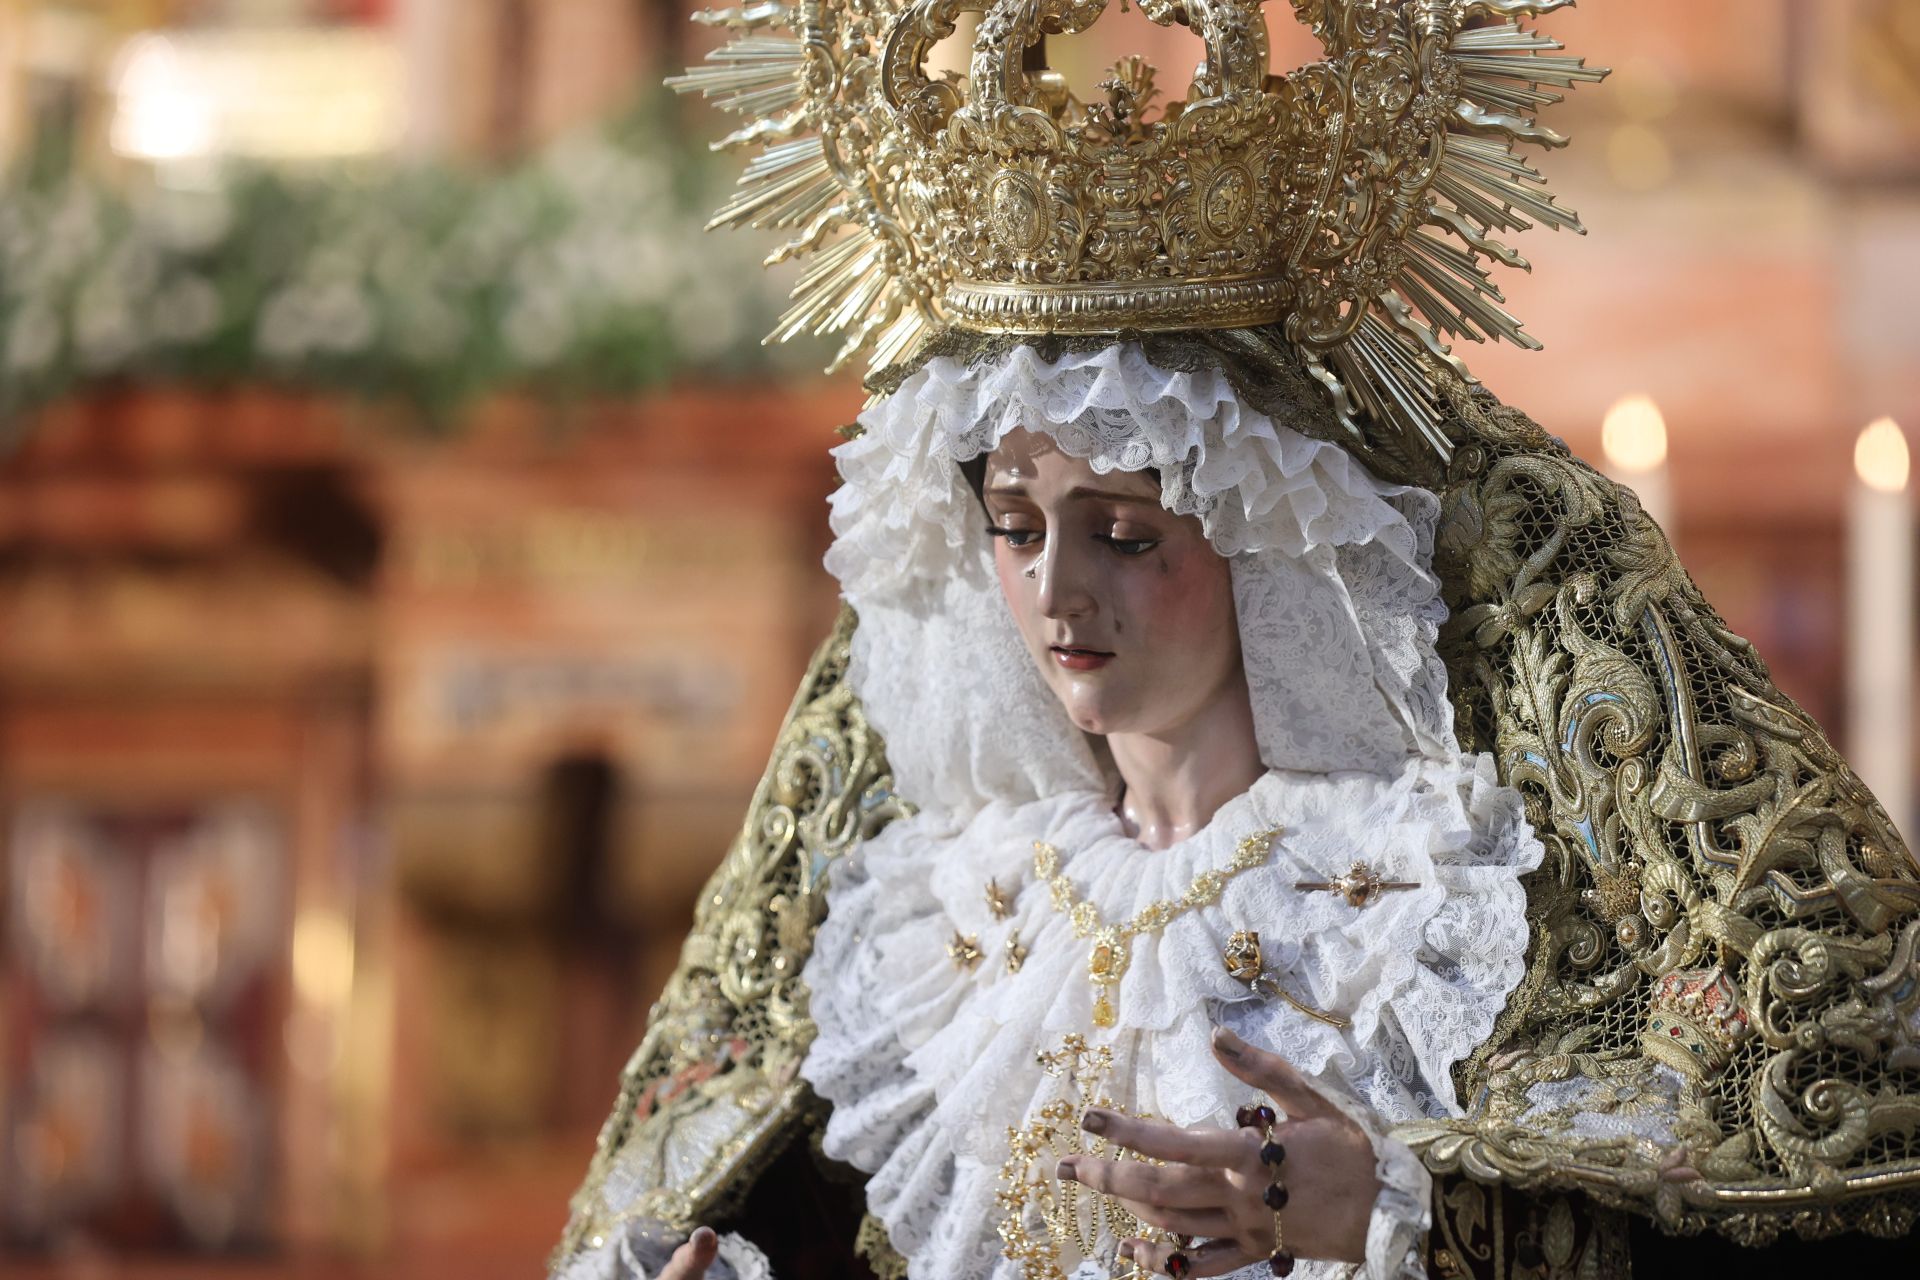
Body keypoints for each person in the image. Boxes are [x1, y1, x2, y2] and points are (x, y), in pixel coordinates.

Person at [553, 3, 1920, 1277]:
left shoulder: (1445, 892)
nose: (1056, 594)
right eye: (1016, 527)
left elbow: (1810, 1177)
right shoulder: (927, 908)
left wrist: (1401, 1210)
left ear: (1265, 546)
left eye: (1126, 532)